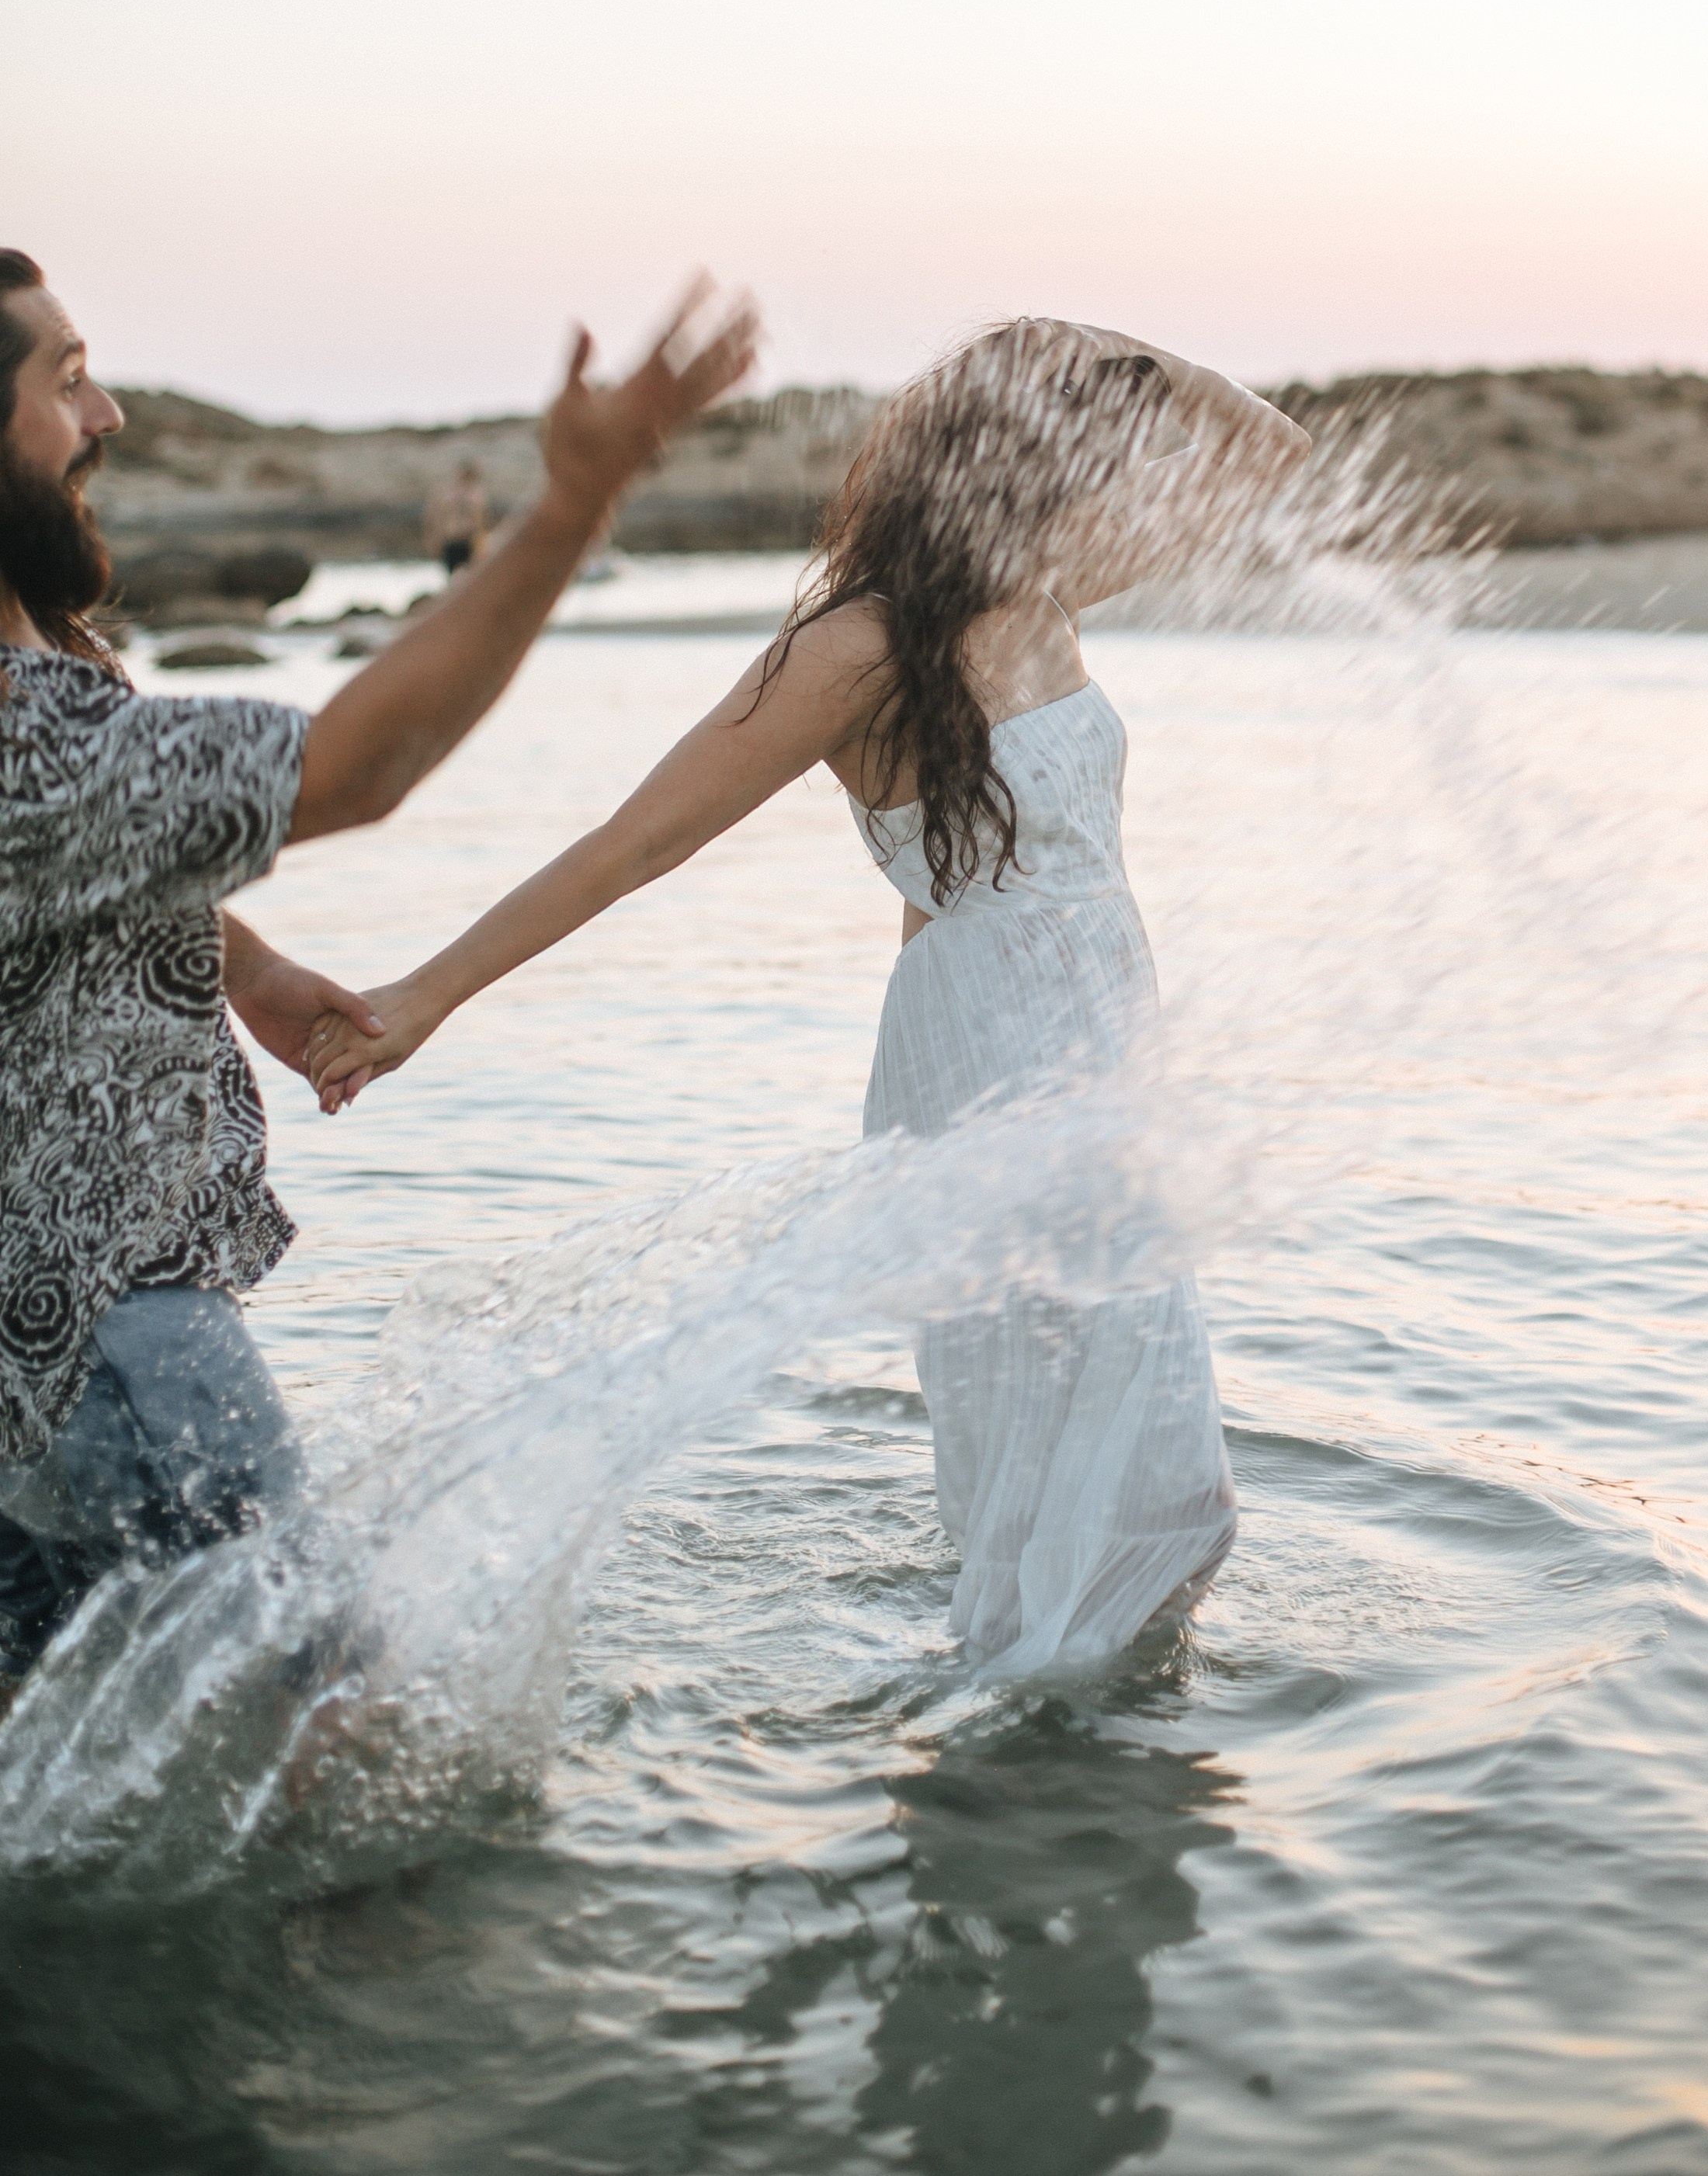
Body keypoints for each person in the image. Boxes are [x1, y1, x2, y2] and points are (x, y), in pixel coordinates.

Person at [307, 320, 1311, 1673]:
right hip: (998, 1050)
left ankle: (1052, 1715)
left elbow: (1274, 452)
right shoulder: (858, 645)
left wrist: (1112, 348)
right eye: (1079, 434)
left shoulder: (1049, 584)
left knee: (1139, 1460)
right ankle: (1034, 1744)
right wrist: (425, 993)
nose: (1113, 464)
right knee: (1122, 1462)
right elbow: (634, 841)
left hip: (1095, 1047)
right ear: (1000, 451)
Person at [0, 249, 757, 1706]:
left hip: (29, 1365)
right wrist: (573, 508)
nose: (106, 413)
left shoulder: (46, 661)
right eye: (63, 377)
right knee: (350, 1734)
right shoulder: (20, 728)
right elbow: (356, 767)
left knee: (49, 1786)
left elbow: (76, 865)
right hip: (117, 1333)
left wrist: (258, 966)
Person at [424, 460, 490, 578]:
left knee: (469, 578)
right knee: (454, 577)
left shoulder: (475, 496)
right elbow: (433, 519)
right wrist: (434, 540)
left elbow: (481, 522)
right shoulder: (447, 495)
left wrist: (481, 546)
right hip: (452, 540)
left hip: (468, 541)